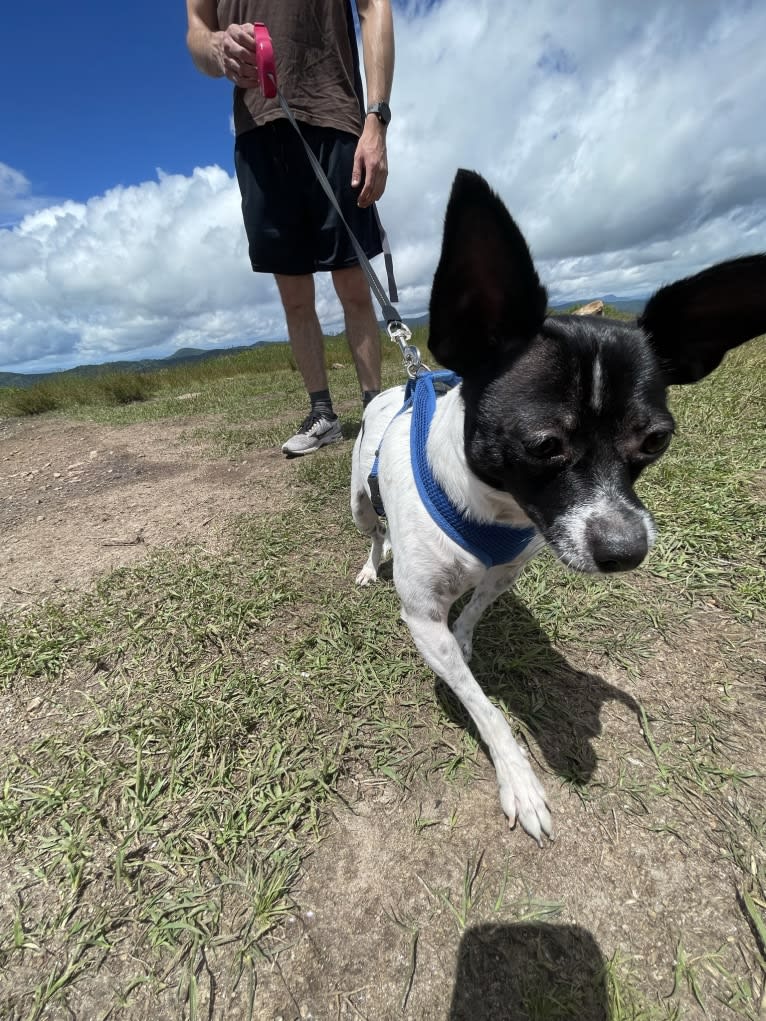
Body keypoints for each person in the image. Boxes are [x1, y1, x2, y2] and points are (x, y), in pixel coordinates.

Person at [186, 0, 395, 456]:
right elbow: (197, 32)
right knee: (293, 294)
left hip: (336, 117)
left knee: (353, 283)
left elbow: (376, 7)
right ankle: (323, 414)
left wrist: (376, 119)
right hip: (258, 129)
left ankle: (374, 408)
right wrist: (217, 47)